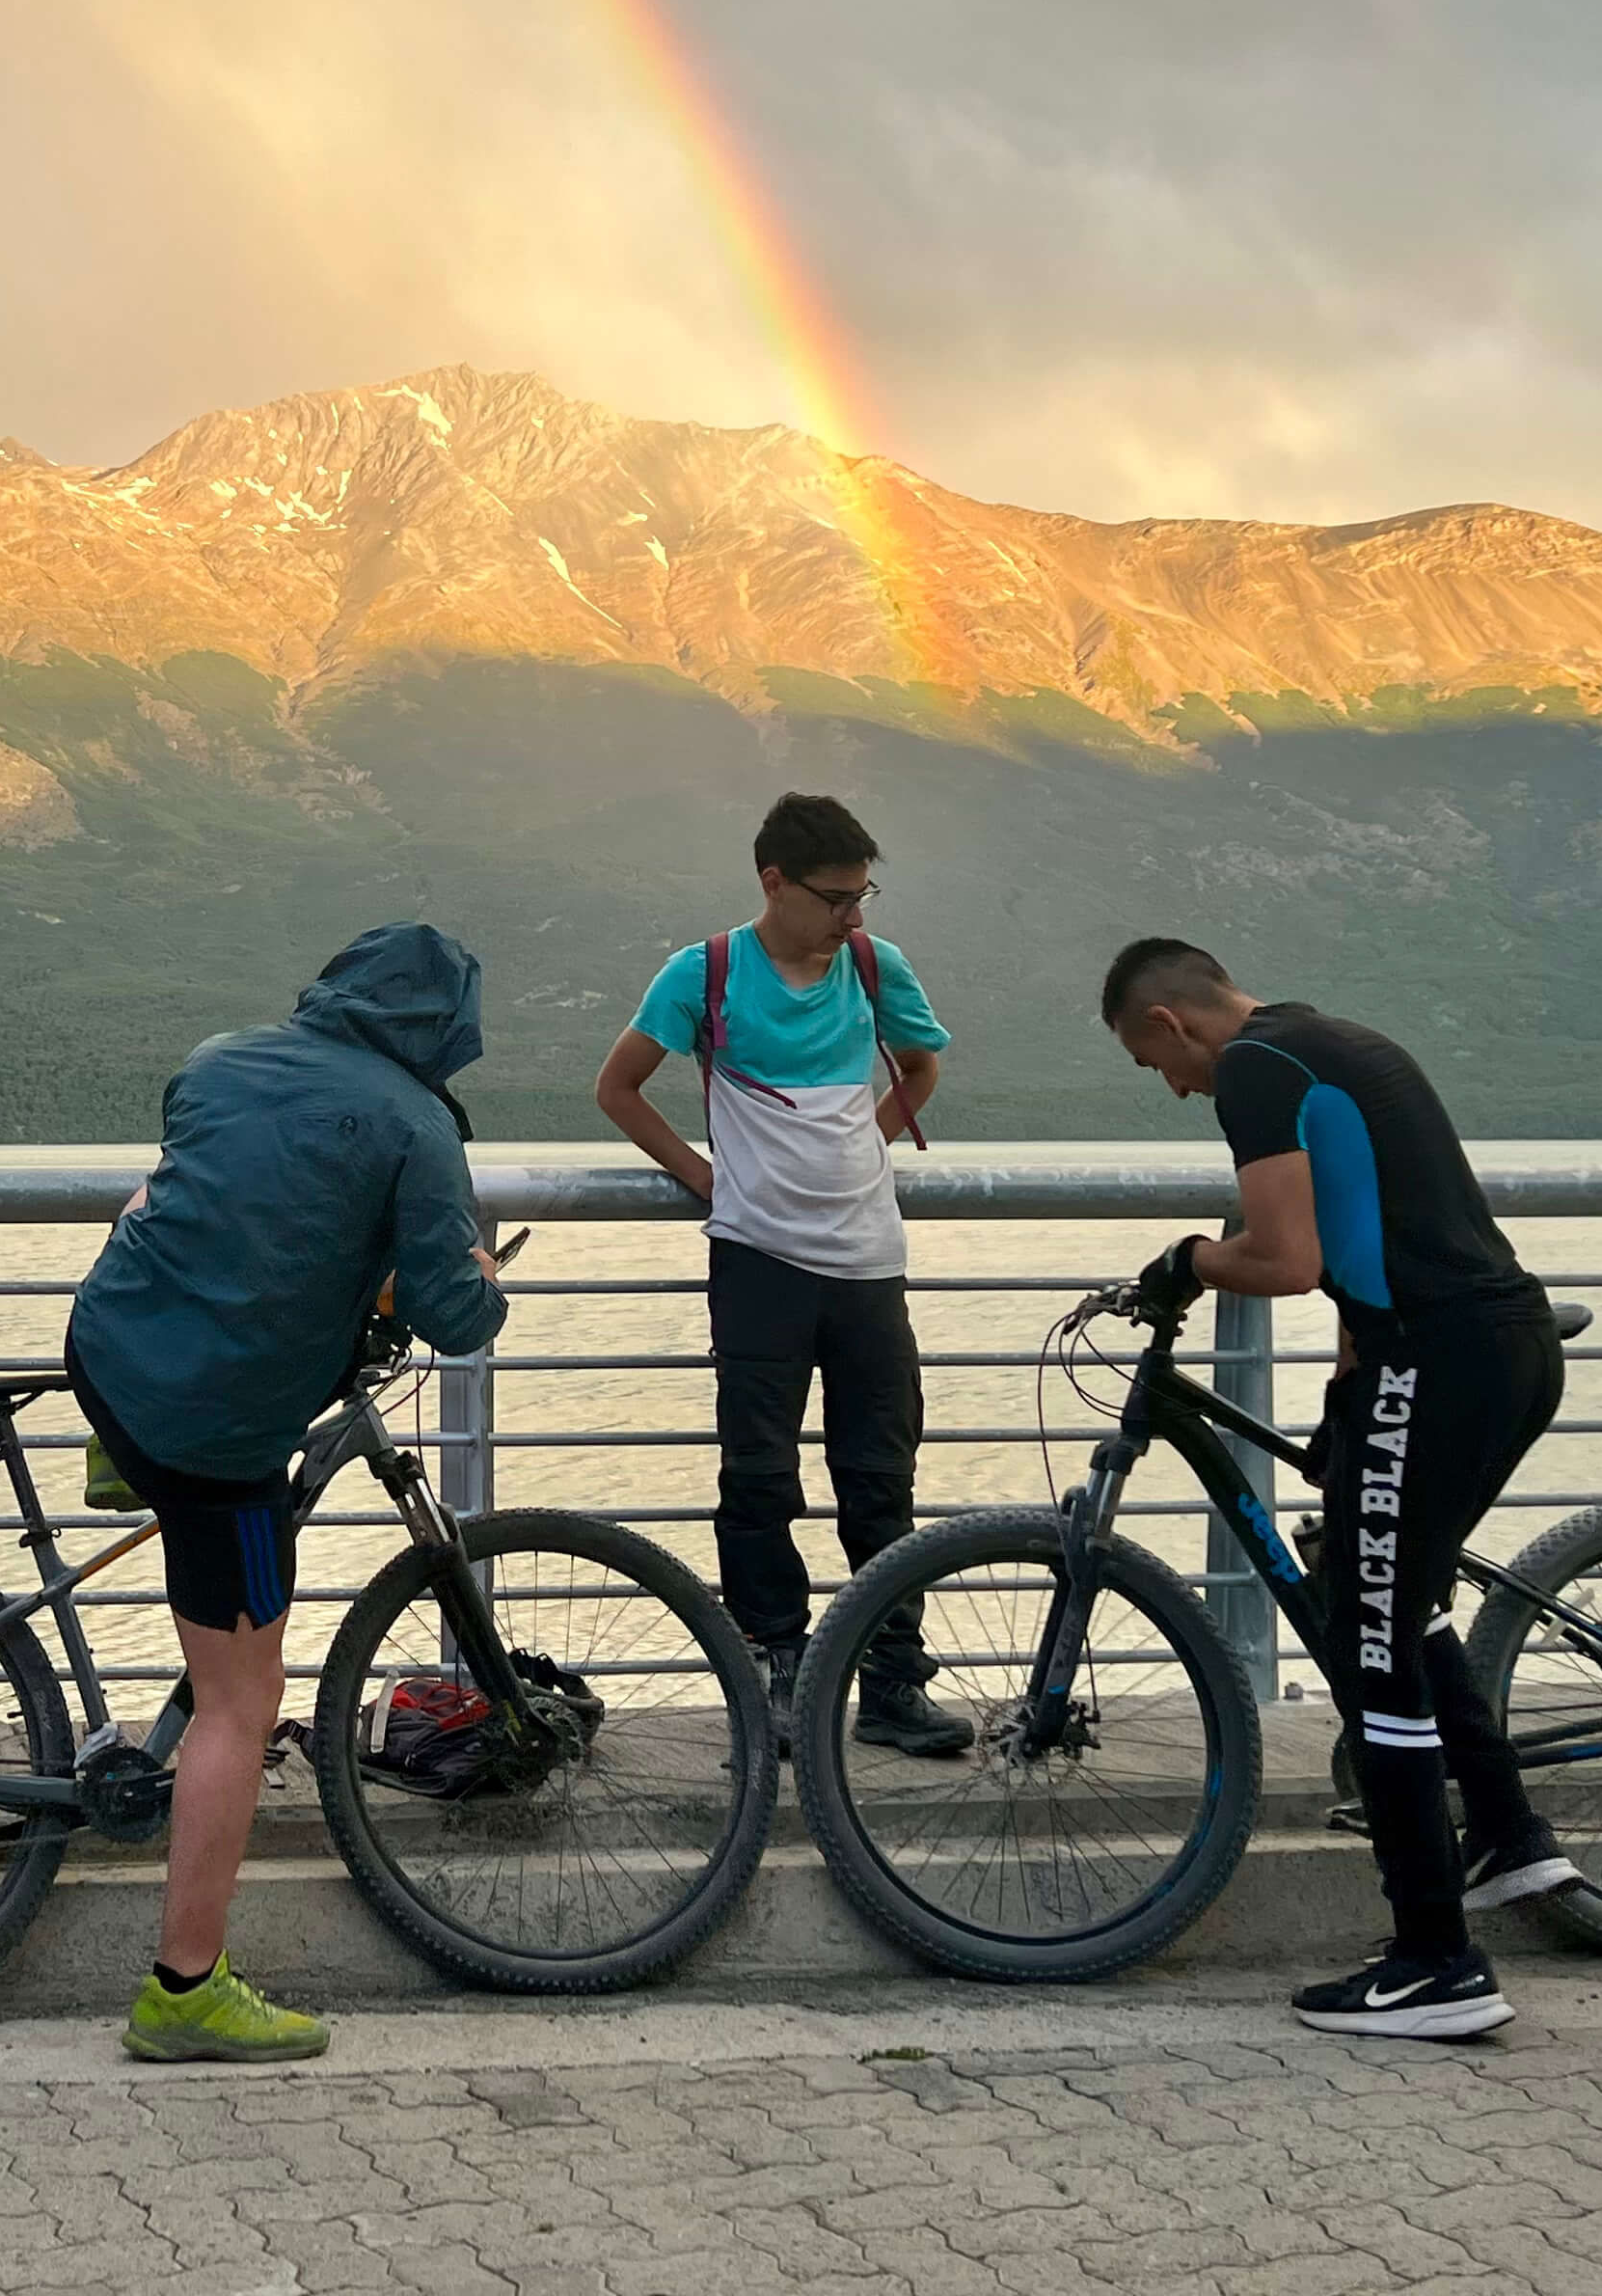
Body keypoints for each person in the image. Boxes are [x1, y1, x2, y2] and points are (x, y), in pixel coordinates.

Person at [1101, 937, 1580, 2041]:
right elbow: (1386, 1229)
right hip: (1479, 1347)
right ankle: (1509, 1834)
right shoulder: (1335, 1038)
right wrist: (1347, 1394)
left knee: (1371, 1649)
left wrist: (1185, 1259)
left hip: (1443, 1359)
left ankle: (1435, 1964)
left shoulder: (1256, 1075)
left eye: (1153, 1064)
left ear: (1172, 1025)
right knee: (1397, 1607)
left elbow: (1285, 1259)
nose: (1172, 1087)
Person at [68, 922, 508, 2064]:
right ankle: (184, 1990)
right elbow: (456, 1318)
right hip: (217, 1426)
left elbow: (208, 1191)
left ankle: (137, 1479)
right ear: (446, 1031)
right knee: (241, 1699)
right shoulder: (418, 1126)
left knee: (182, 1500)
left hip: (112, 1349)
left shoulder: (220, 1057)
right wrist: (477, 1276)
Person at [592, 792, 967, 1759]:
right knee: (758, 1481)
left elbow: (920, 1070)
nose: (855, 916)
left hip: (869, 1265)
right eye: (838, 897)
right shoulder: (705, 971)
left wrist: (861, 1149)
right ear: (774, 882)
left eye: (863, 895)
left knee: (879, 1482)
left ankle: (891, 1685)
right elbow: (616, 1086)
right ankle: (780, 1676)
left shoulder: (877, 967)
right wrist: (705, 1177)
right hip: (756, 1262)